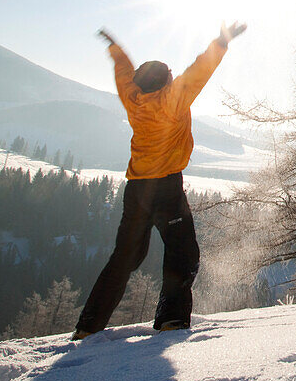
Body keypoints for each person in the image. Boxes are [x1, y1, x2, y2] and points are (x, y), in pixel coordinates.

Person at [73, 22, 246, 340]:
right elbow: (200, 70)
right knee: (184, 254)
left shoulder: (133, 99)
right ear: (166, 81)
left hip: (136, 189)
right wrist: (222, 40)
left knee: (124, 257)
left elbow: (123, 71)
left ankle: (88, 325)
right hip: (166, 189)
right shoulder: (172, 101)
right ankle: (171, 319)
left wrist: (114, 47)